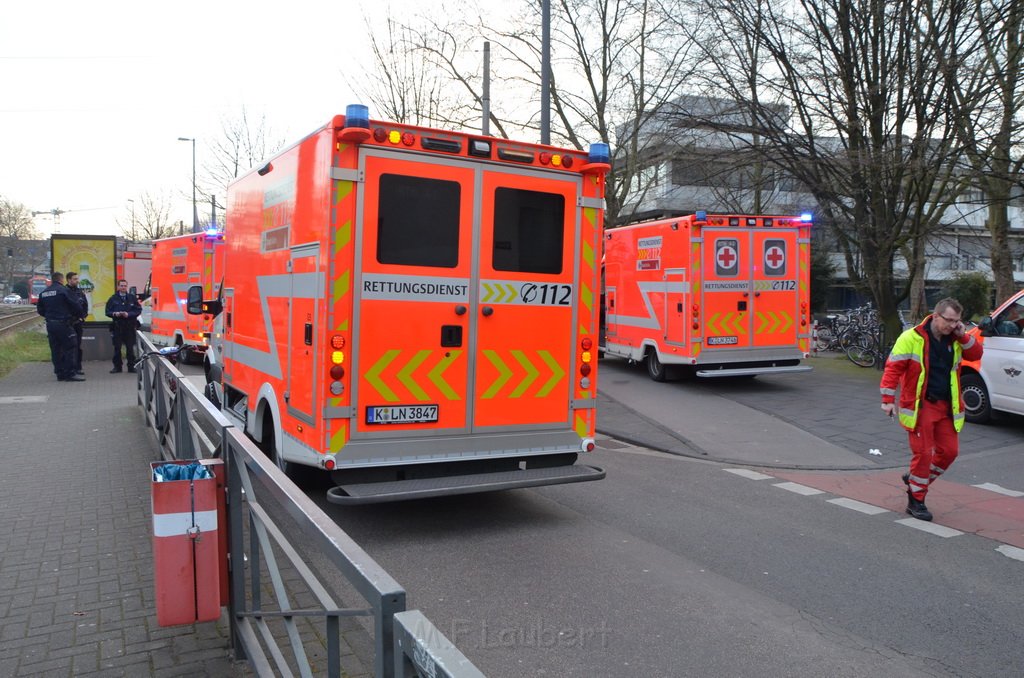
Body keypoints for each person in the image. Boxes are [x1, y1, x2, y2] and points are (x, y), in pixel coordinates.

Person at [880, 298, 983, 521]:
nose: (953, 325)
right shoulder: (912, 337)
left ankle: (916, 480)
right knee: (924, 454)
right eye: (949, 320)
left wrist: (963, 334)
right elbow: (893, 367)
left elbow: (976, 354)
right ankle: (916, 500)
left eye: (957, 321)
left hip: (947, 406)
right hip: (921, 406)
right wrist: (887, 398)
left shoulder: (956, 338)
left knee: (949, 452)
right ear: (936, 316)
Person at [35, 272, 87, 382]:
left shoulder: (44, 292)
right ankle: (70, 373)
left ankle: (60, 373)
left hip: (50, 324)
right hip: (64, 324)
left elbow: (40, 310)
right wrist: (78, 316)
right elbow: (76, 305)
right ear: (62, 280)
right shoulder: (64, 290)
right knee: (70, 347)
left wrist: (50, 316)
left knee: (55, 349)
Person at [105, 279, 142, 373]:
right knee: (117, 348)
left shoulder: (132, 298)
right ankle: (117, 367)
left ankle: (131, 366)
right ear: (118, 287)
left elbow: (138, 310)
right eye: (121, 286)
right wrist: (115, 314)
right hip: (117, 326)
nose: (123, 287)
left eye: (125, 286)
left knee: (130, 348)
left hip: (129, 326)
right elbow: (107, 312)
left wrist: (129, 314)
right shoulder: (113, 298)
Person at [65, 271, 88, 375]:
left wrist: (82, 317)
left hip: (77, 323)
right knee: (68, 346)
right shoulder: (64, 291)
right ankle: (69, 368)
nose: (77, 281)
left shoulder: (80, 292)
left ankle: (78, 367)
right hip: (67, 324)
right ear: (69, 280)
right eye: (75, 279)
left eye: (77, 279)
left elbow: (85, 306)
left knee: (78, 346)